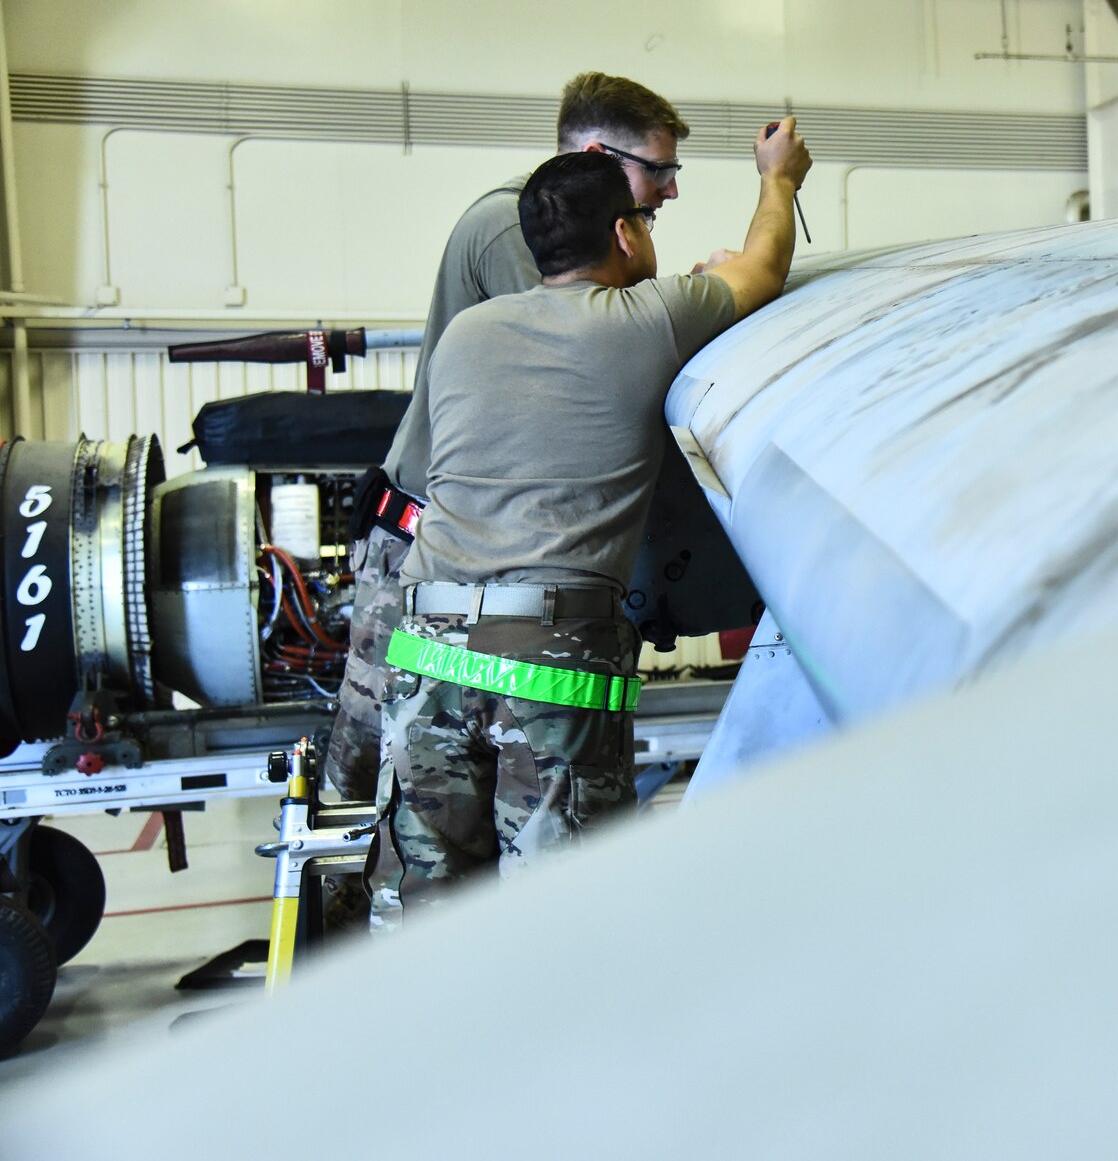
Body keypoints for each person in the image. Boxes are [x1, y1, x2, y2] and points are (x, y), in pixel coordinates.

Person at [369, 123, 811, 924]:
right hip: (547, 655)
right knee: (562, 916)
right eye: (646, 220)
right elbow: (766, 267)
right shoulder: (644, 322)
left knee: (422, 911)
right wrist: (777, 179)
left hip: (425, 641)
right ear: (621, 232)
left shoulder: (468, 336)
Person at [323, 72, 691, 807]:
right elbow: (596, 347)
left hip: (459, 559)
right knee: (374, 788)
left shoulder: (527, 226)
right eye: (659, 170)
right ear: (598, 155)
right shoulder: (516, 233)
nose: (670, 192)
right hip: (434, 553)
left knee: (431, 807)